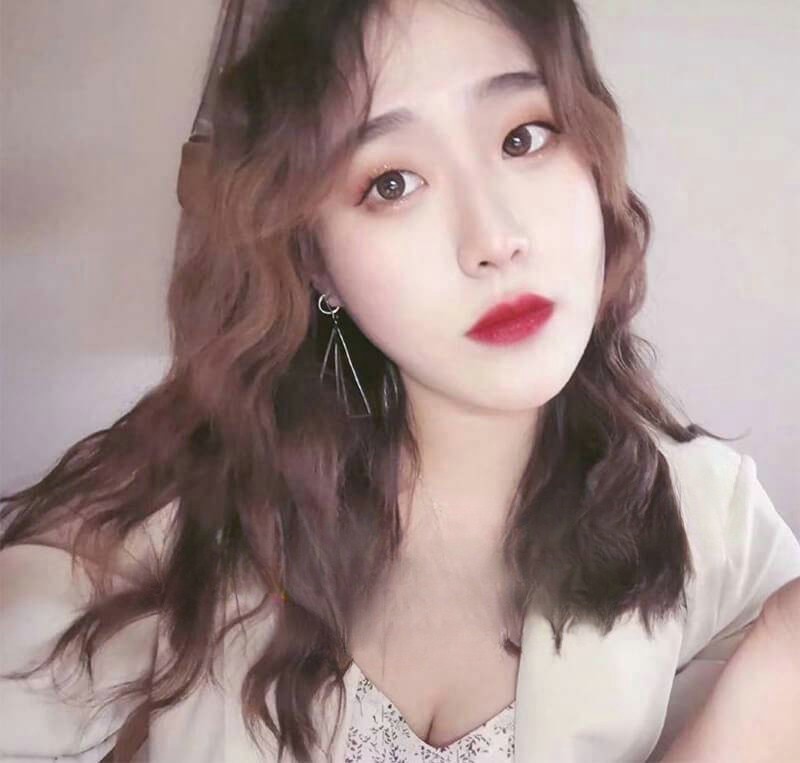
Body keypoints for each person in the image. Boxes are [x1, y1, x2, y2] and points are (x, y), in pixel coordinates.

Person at [1, 0, 799, 761]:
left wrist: (772, 678)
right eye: (392, 183)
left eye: (523, 137)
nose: (494, 238)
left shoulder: (713, 521)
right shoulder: (187, 503)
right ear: (316, 261)